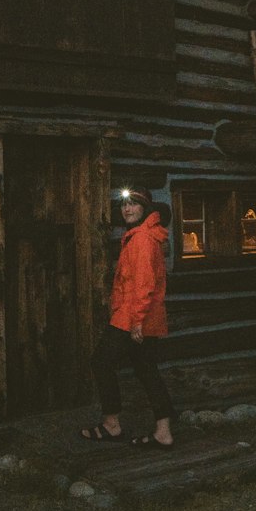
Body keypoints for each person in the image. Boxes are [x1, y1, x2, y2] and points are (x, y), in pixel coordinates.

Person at [81, 186, 174, 449]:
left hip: (132, 317)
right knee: (146, 370)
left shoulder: (143, 239)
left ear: (145, 209)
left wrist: (136, 322)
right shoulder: (139, 236)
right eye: (124, 205)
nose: (127, 209)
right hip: (142, 316)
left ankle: (111, 425)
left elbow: (144, 286)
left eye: (134, 204)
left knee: (101, 362)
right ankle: (163, 431)